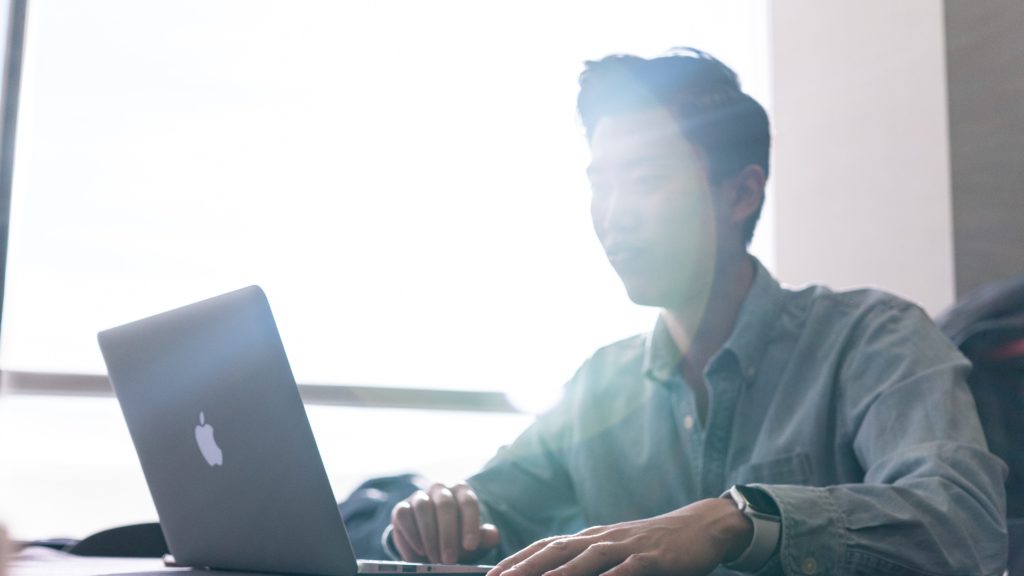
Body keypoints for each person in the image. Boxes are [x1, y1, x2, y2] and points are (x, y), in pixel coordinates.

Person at [384, 49, 1008, 575]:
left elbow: (964, 525)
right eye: (601, 183)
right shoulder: (600, 386)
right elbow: (484, 509)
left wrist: (736, 520)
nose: (613, 213)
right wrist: (439, 512)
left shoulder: (875, 339)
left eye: (647, 179)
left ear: (741, 192)